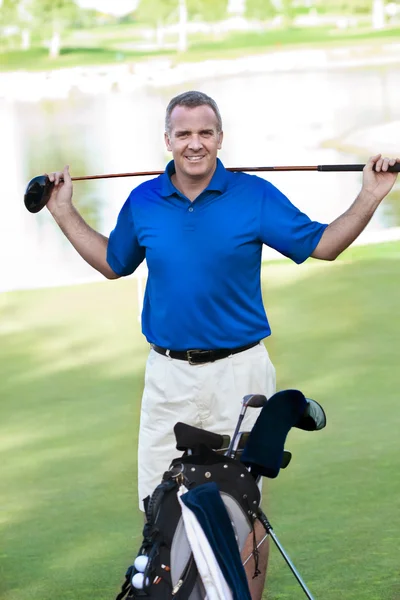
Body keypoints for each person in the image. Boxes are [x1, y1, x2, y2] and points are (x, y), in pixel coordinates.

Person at [45, 90, 399, 600]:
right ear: (167, 140)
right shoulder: (143, 201)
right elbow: (113, 263)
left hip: (241, 375)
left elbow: (323, 245)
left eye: (204, 133)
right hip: (168, 376)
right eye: (183, 134)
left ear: (220, 138)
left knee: (245, 505)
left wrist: (371, 195)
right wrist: (62, 212)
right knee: (158, 503)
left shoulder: (253, 196)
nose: (194, 144)